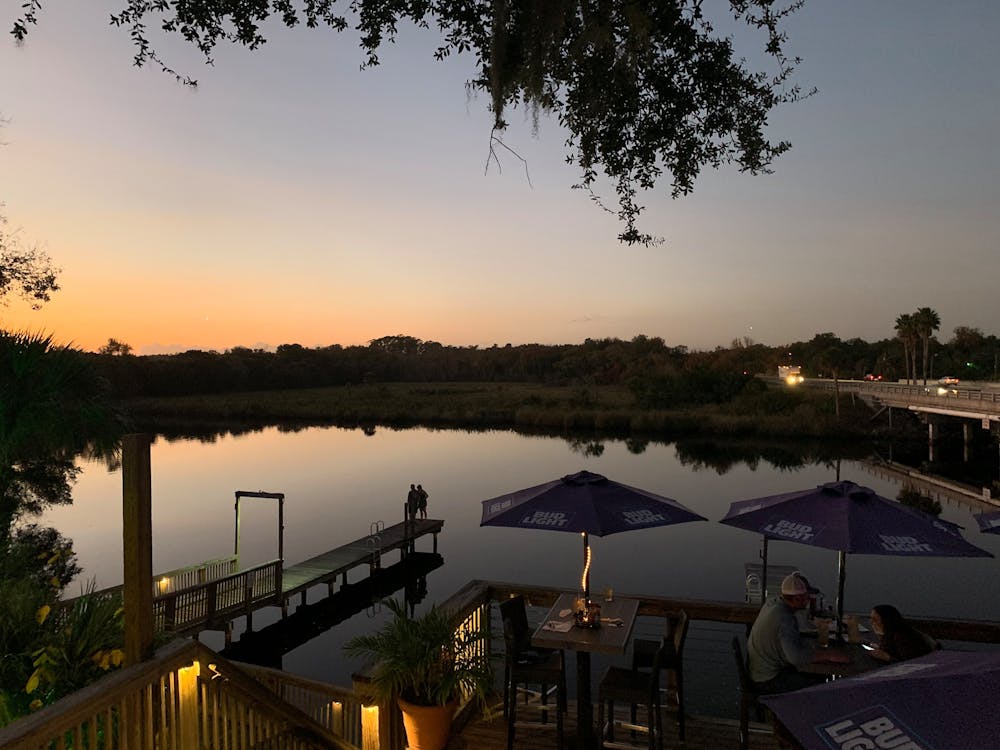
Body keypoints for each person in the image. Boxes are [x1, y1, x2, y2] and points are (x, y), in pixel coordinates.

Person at [747, 572, 851, 694]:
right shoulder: (785, 618)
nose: (809, 600)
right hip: (767, 681)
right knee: (821, 686)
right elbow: (795, 657)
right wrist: (829, 655)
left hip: (758, 672)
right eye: (807, 597)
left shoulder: (773, 603)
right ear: (797, 599)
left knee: (817, 677)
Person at [868, 604, 938, 663]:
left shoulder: (902, 636)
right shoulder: (889, 634)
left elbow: (910, 663)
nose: (871, 623)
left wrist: (887, 657)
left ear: (886, 621)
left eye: (875, 620)